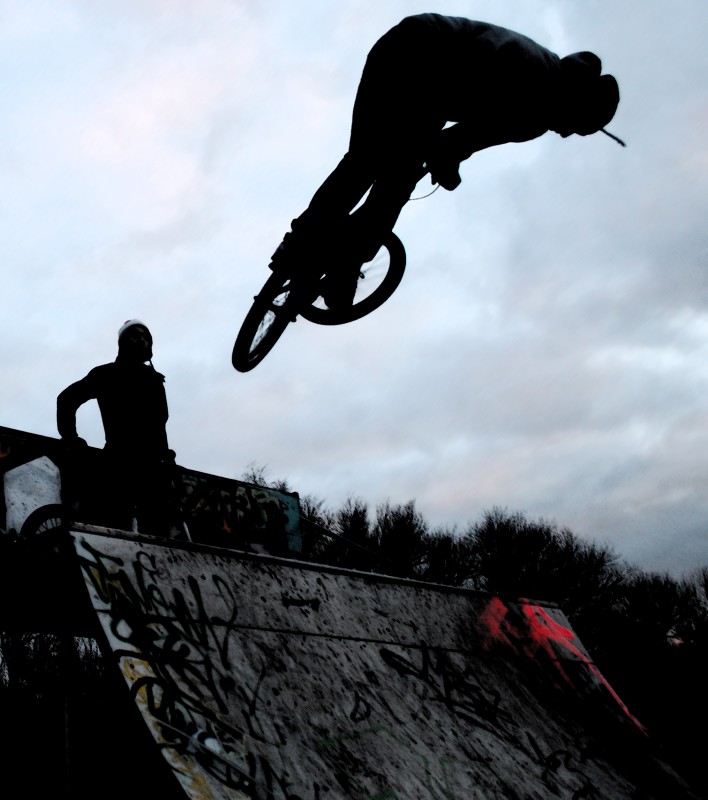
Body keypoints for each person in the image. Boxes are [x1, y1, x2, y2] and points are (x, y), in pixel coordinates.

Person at [271, 13, 622, 308]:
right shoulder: (535, 96)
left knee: (364, 160)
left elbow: (461, 139)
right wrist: (444, 161)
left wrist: (445, 156)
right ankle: (344, 261)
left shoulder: (541, 74)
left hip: (402, 44)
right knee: (395, 176)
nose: (566, 134)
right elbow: (462, 129)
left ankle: (300, 245)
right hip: (425, 67)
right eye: (577, 128)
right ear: (578, 107)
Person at [56, 320, 182, 537]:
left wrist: (166, 455)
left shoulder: (154, 381)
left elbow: (159, 425)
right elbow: (67, 399)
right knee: (114, 527)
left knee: (159, 533)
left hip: (155, 469)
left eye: (146, 337)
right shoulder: (106, 374)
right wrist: (70, 437)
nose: (141, 339)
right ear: (122, 343)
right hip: (118, 462)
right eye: (134, 335)